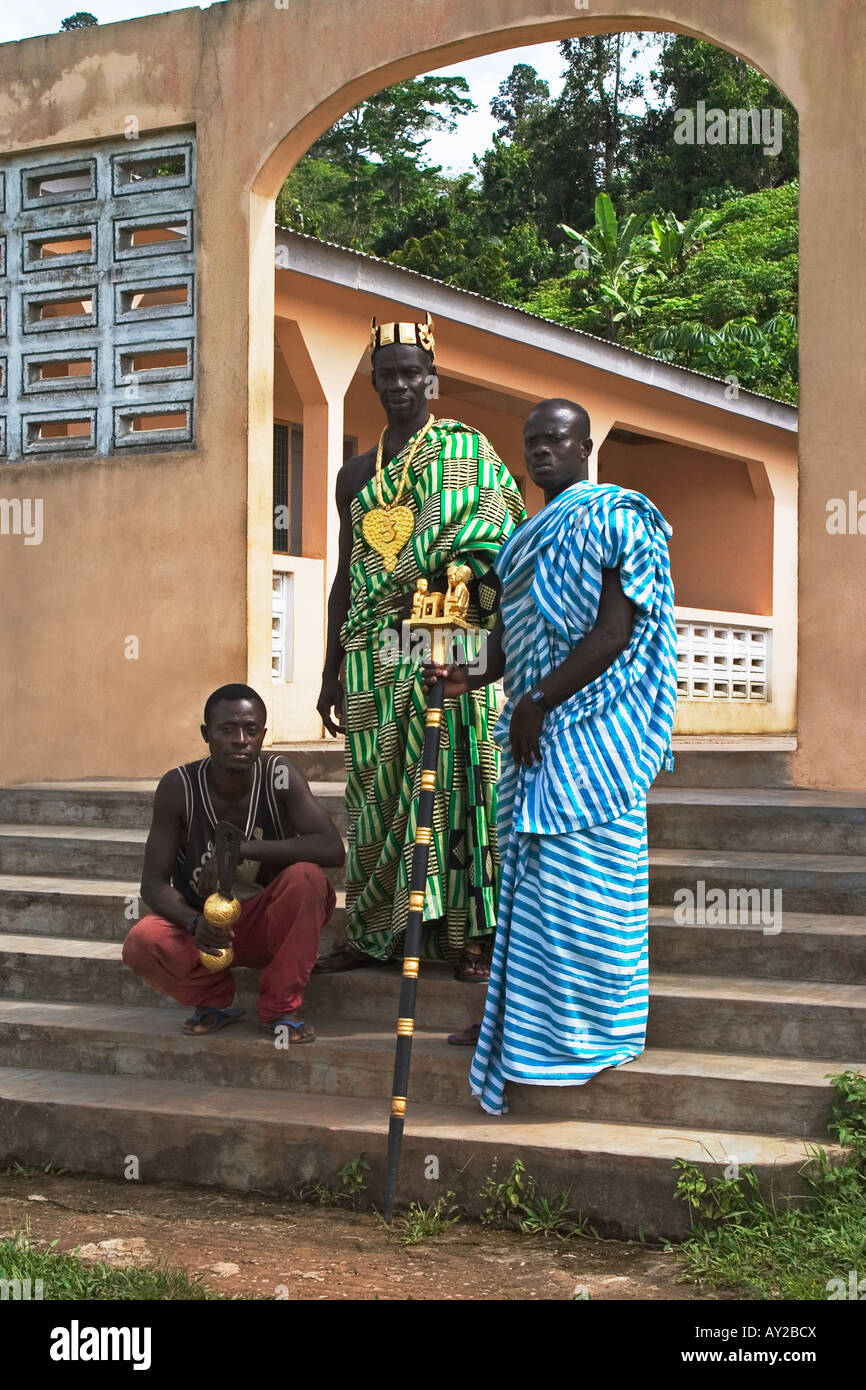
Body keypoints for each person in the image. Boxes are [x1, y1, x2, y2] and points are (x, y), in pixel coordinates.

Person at [426, 399, 678, 1113]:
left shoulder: (618, 517)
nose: (542, 451)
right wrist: (458, 669)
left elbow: (612, 633)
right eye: (532, 441)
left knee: (587, 895)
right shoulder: (521, 540)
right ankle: (519, 1020)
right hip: (534, 739)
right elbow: (503, 648)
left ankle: (589, 1028)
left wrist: (538, 700)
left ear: (586, 446)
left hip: (597, 737)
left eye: (556, 439)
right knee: (531, 891)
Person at [315, 313, 525, 979]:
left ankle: (474, 938)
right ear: (372, 382)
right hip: (374, 656)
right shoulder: (353, 475)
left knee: (461, 786)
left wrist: (461, 620)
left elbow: (501, 554)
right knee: (373, 794)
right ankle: (374, 930)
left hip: (449, 643)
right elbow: (347, 576)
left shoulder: (469, 452)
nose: (399, 383)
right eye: (387, 374)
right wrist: (328, 673)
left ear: (432, 380)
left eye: (412, 373)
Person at [123, 684, 344, 1041]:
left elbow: (332, 849)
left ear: (263, 735)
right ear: (206, 734)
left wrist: (242, 850)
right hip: (206, 931)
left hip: (265, 922)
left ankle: (279, 1010)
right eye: (228, 730)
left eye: (251, 730)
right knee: (142, 940)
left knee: (308, 879)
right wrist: (194, 923)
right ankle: (213, 999)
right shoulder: (179, 787)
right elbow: (153, 884)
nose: (241, 739)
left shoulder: (280, 777)